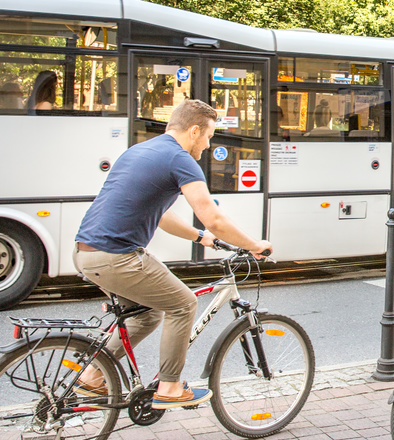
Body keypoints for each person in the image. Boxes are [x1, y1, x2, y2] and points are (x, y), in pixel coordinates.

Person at [72, 99, 273, 408]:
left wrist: (202, 239)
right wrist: (254, 245)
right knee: (183, 304)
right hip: (117, 257)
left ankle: (92, 376)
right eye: (208, 136)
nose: (208, 145)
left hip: (86, 254)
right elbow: (214, 217)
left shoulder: (140, 151)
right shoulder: (180, 159)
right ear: (194, 131)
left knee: (147, 314)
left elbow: (163, 217)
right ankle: (169, 387)